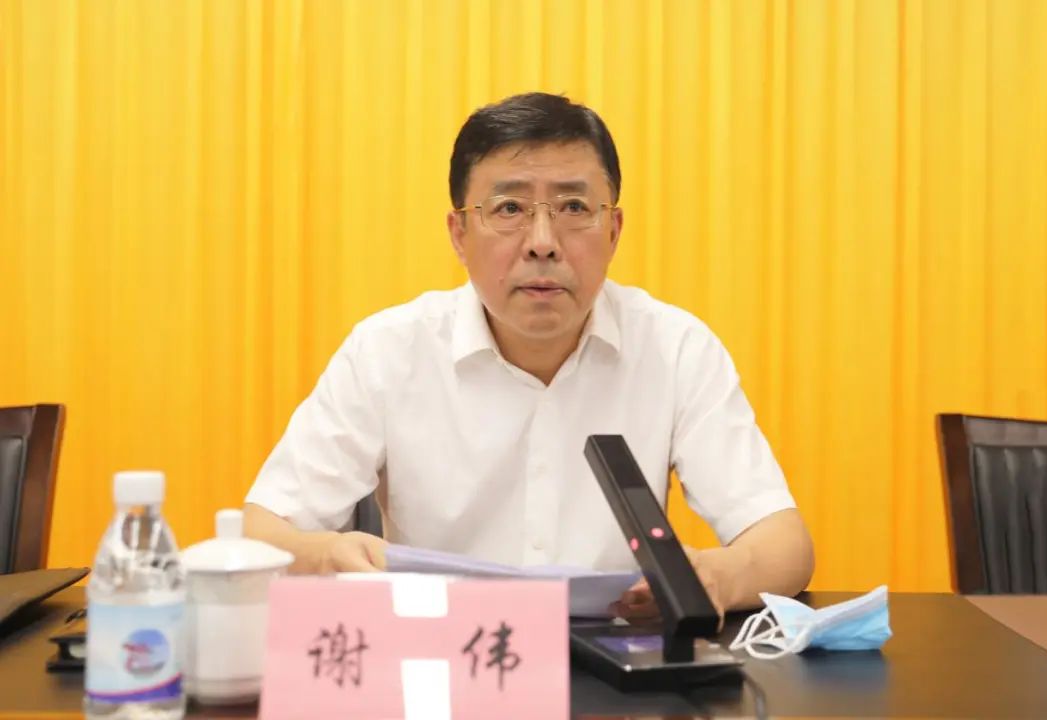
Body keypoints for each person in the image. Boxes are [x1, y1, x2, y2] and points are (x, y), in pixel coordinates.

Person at [243, 92, 814, 618]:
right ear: (459, 234)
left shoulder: (675, 348)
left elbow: (784, 545)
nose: (543, 242)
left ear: (613, 230)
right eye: (510, 208)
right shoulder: (388, 351)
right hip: (441, 650)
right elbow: (263, 532)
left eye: (574, 207)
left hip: (618, 651)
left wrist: (719, 575)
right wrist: (325, 556)